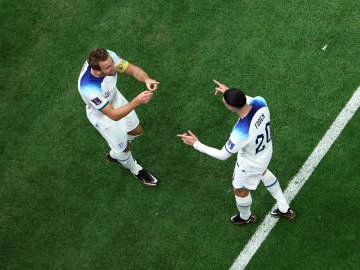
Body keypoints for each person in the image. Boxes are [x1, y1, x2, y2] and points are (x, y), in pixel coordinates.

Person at [178, 80, 295, 225]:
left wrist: (196, 143)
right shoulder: (261, 102)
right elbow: (246, 100)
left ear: (231, 107)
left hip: (249, 164)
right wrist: (229, 92)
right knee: (263, 171)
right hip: (265, 152)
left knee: (239, 190)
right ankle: (284, 207)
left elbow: (223, 155)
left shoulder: (240, 132)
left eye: (226, 102)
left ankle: (245, 217)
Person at [78, 48, 159, 187]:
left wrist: (146, 78)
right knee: (125, 148)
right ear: (97, 71)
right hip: (104, 117)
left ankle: (115, 153)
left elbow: (132, 70)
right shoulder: (89, 88)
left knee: (137, 131)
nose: (114, 67)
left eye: (112, 62)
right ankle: (135, 169)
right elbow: (113, 115)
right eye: (108, 67)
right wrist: (137, 101)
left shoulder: (107, 58)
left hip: (116, 100)